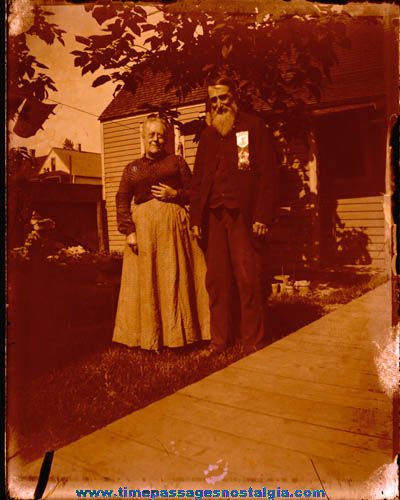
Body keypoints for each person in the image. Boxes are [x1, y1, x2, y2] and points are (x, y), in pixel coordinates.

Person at [190, 76, 278, 353]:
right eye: (213, 100)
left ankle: (253, 340)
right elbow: (198, 181)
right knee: (216, 281)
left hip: (244, 215)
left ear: (234, 98)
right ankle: (220, 340)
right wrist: (195, 219)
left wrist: (262, 216)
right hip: (214, 218)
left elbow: (269, 176)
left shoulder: (254, 127)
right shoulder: (207, 135)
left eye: (223, 97)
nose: (219, 104)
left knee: (247, 277)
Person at [113, 114, 210, 351]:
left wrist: (175, 194)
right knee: (147, 281)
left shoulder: (176, 162)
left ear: (166, 139)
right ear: (143, 137)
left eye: (160, 135)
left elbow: (195, 193)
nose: (156, 139)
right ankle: (148, 338)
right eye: (151, 134)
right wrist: (129, 231)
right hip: (143, 231)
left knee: (174, 278)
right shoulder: (132, 168)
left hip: (174, 230)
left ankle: (180, 336)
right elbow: (122, 199)